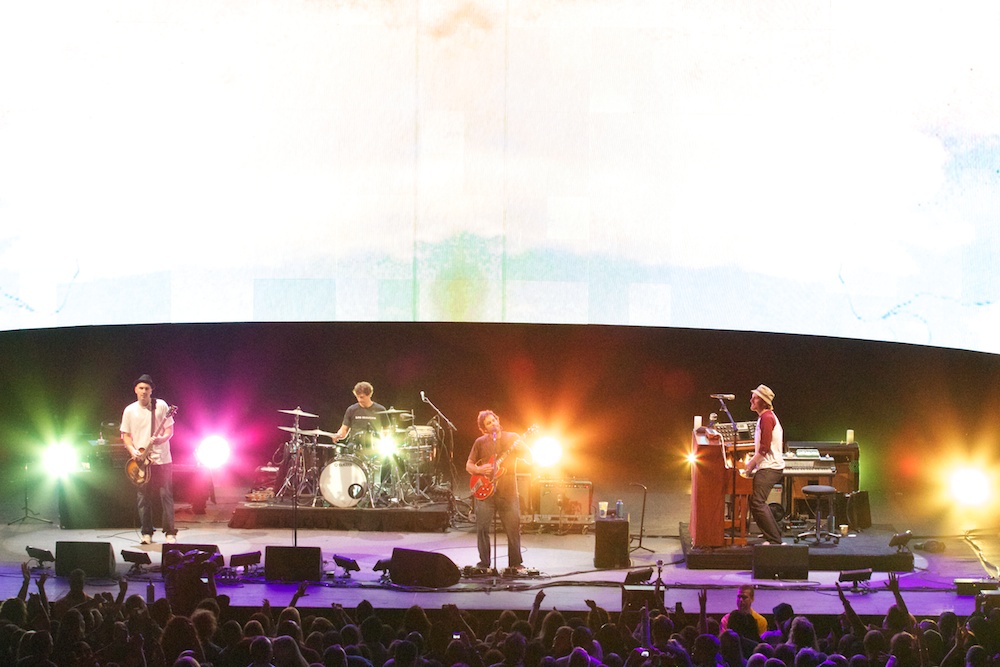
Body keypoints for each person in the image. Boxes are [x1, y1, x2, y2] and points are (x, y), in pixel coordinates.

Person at [121, 373, 177, 545]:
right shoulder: (129, 410)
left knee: (165, 495)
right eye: (141, 388)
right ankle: (146, 533)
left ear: (151, 390)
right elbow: (125, 435)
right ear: (135, 390)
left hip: (162, 459)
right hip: (141, 460)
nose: (144, 391)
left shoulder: (161, 406)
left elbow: (169, 430)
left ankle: (170, 533)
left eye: (147, 388)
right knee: (143, 497)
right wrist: (132, 450)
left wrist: (162, 439)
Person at [466, 410, 524, 571]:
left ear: (498, 421)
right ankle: (484, 564)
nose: (493, 424)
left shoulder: (512, 438)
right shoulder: (480, 442)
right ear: (484, 428)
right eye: (488, 423)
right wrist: (479, 470)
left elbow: (530, 458)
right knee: (482, 528)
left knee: (513, 529)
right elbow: (469, 465)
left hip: (509, 492)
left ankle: (515, 564)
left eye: (494, 420)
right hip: (486, 494)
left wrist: (526, 450)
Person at [743, 384, 784, 546]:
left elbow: (765, 448)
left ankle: (774, 540)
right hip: (768, 466)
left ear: (763, 402)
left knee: (757, 502)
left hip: (770, 467)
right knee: (755, 501)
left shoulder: (767, 418)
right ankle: (773, 534)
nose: (751, 400)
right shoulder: (765, 417)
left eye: (755, 398)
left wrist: (750, 464)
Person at [331, 382, 387, 446]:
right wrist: (338, 435)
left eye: (362, 397)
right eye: (357, 397)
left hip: (374, 445)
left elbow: (386, 429)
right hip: (354, 445)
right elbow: (344, 429)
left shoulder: (380, 409)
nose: (359, 400)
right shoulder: (351, 409)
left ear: (369, 394)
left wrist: (383, 439)